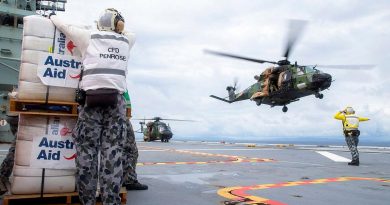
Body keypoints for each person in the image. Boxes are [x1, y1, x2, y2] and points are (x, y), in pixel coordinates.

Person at [50, 8, 135, 204]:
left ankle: (87, 201)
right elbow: (130, 32)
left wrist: (52, 16)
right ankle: (110, 201)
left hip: (91, 102)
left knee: (87, 153)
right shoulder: (127, 41)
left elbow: (64, 26)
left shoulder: (88, 37)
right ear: (119, 25)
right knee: (113, 154)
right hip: (116, 102)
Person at [122, 91, 148, 190]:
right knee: (130, 150)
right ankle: (129, 180)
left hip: (119, 114)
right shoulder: (118, 78)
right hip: (120, 114)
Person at [0, 114, 18, 195]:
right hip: (17, 117)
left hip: (13, 117)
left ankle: (3, 176)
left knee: (16, 147)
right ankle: (2, 177)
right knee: (16, 148)